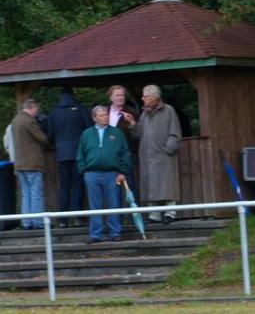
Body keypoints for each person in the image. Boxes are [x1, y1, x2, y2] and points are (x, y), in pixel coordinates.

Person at [125, 85, 182, 224]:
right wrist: (132, 123)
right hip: (148, 157)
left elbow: (175, 133)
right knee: (151, 186)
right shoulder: (144, 114)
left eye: (145, 96)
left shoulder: (169, 111)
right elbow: (139, 134)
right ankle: (154, 215)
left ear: (155, 97)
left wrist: (167, 150)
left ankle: (170, 213)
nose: (142, 98)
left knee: (167, 185)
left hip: (164, 155)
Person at [77, 105, 132, 244]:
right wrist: (84, 170)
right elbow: (80, 154)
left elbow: (125, 153)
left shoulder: (117, 133)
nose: (105, 117)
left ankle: (115, 232)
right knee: (94, 205)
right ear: (94, 118)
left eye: (106, 114)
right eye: (101, 115)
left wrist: (123, 172)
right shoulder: (86, 134)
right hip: (92, 174)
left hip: (112, 173)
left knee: (114, 203)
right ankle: (96, 234)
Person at [47, 87, 92, 228]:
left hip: (61, 154)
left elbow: (50, 134)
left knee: (64, 186)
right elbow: (89, 130)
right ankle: (78, 218)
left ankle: (63, 220)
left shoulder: (54, 113)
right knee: (78, 185)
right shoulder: (81, 110)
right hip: (79, 153)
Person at [11, 99, 49, 230]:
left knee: (26, 193)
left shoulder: (16, 119)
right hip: (32, 163)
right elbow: (42, 138)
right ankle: (37, 221)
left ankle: (26, 222)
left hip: (20, 163)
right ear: (32, 108)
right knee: (35, 192)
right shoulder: (29, 121)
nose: (37, 112)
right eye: (36, 110)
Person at [106, 85, 139, 195]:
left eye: (122, 95)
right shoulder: (104, 112)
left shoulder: (131, 112)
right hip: (108, 156)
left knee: (129, 187)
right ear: (111, 97)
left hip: (126, 155)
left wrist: (132, 123)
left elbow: (137, 135)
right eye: (117, 95)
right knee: (112, 189)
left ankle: (133, 211)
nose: (120, 98)